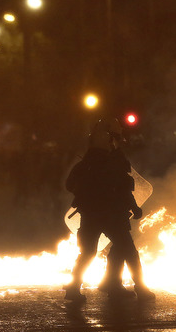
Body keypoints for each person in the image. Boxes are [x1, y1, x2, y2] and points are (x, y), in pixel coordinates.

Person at [64, 119, 155, 304]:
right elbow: (122, 188)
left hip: (91, 214)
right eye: (117, 138)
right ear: (110, 139)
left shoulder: (86, 164)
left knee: (89, 252)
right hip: (112, 214)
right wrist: (134, 207)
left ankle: (86, 287)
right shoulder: (114, 160)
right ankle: (139, 289)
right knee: (128, 250)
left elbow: (69, 185)